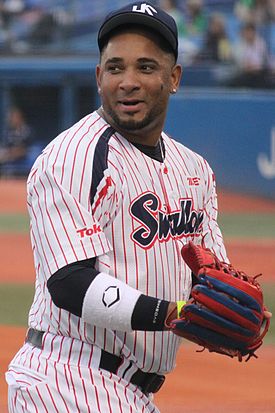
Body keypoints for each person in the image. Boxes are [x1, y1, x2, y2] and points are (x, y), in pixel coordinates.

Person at [5, 2, 228, 412]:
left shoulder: (194, 169)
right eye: (114, 68)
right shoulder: (70, 158)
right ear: (98, 76)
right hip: (66, 380)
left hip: (130, 390)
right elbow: (70, 282)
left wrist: (223, 302)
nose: (128, 82)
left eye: (145, 67)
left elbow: (211, 272)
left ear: (173, 77)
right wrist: (174, 313)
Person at [226, 21, 272, 88]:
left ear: (254, 32)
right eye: (246, 32)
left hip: (260, 74)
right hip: (244, 74)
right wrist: (249, 67)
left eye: (250, 32)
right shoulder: (238, 45)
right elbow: (241, 64)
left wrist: (256, 67)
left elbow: (263, 62)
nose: (248, 34)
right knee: (231, 83)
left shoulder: (261, 43)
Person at [0, 106, 34, 175]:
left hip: (24, 154)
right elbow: (6, 146)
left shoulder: (27, 130)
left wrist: (11, 153)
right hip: (9, 155)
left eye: (14, 117)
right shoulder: (9, 131)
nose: (11, 119)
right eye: (11, 117)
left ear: (20, 117)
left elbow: (25, 149)